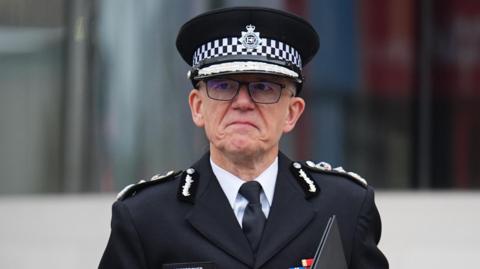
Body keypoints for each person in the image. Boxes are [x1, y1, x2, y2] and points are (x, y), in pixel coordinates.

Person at [99, 6, 389, 269]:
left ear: (292, 112)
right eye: (223, 85)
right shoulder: (145, 218)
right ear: (198, 107)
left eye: (263, 87)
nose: (242, 102)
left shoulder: (345, 207)